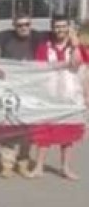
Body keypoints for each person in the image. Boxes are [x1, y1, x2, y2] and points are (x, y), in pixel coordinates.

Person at [0, 13, 46, 178]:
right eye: (19, 25)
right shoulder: (5, 37)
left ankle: (23, 162)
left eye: (26, 24)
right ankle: (7, 164)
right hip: (10, 90)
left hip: (31, 91)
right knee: (9, 126)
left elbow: (60, 34)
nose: (23, 27)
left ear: (30, 24)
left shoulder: (38, 37)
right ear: (14, 26)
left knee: (27, 129)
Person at [30, 15, 86, 180]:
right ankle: (39, 167)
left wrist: (75, 46)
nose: (60, 30)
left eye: (63, 26)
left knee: (68, 134)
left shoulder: (77, 46)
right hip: (49, 96)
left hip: (71, 97)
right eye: (57, 27)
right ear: (52, 28)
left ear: (68, 27)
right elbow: (40, 70)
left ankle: (65, 168)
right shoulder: (44, 47)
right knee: (45, 133)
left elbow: (77, 64)